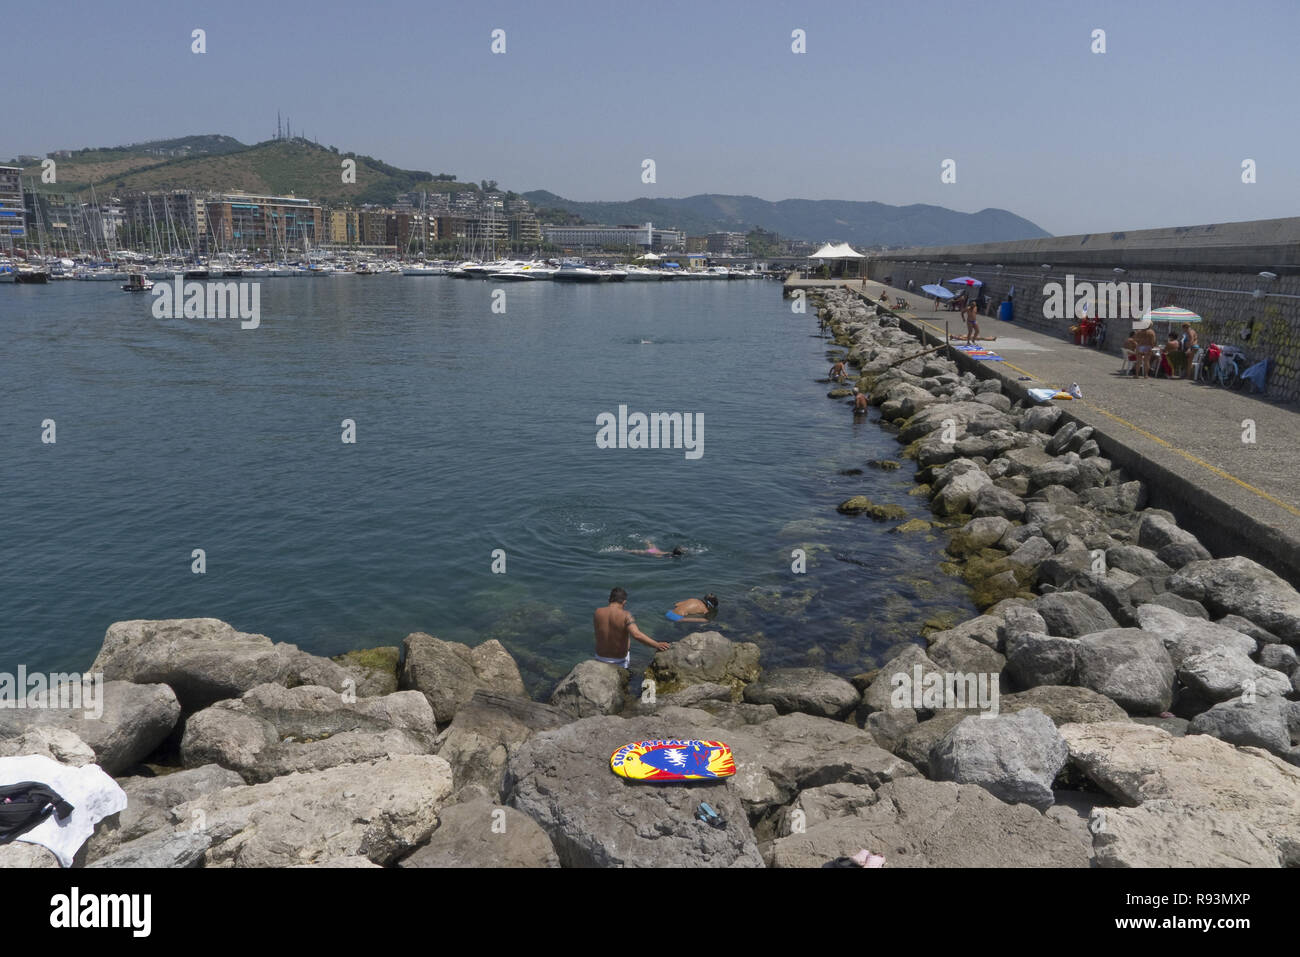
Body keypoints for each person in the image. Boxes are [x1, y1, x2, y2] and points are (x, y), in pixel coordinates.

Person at [594, 587, 669, 668]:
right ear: (624, 602)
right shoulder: (626, 615)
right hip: (619, 661)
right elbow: (636, 635)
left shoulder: (598, 612)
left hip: (600, 658)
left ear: (609, 599)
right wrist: (657, 644)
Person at [620, 541, 685, 558]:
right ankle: (622, 549)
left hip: (655, 550)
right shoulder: (671, 555)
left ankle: (646, 540)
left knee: (650, 544)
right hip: (652, 552)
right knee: (634, 551)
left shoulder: (670, 552)